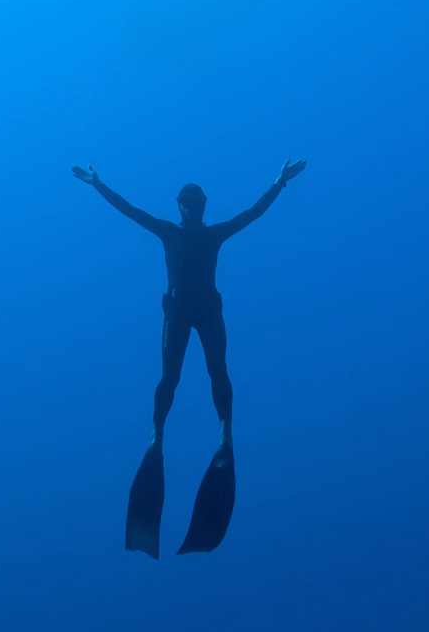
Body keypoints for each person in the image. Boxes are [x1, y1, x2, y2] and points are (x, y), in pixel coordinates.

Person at [71, 160, 306, 555]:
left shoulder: (213, 234)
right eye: (186, 203)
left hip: (205, 312)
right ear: (179, 206)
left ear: (202, 205)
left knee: (217, 372)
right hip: (181, 313)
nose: (190, 208)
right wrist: (98, 184)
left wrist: (279, 182)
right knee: (171, 378)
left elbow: (253, 213)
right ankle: (157, 436)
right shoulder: (170, 232)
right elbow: (129, 210)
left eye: (194, 203)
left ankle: (224, 434)